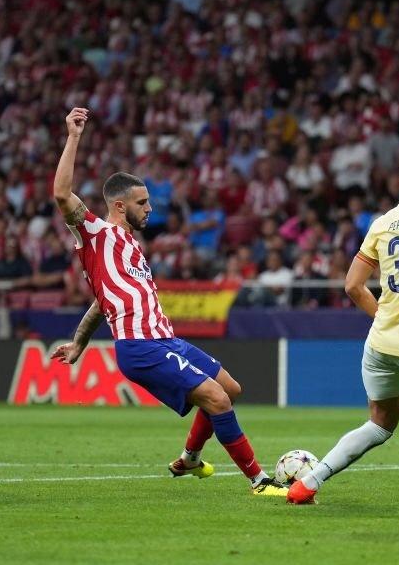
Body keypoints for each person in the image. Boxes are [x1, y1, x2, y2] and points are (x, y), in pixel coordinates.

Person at [49, 107, 287, 497]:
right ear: (120, 206)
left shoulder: (132, 247)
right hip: (140, 347)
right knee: (216, 399)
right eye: (143, 203)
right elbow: (61, 194)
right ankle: (259, 482)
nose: (150, 208)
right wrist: (74, 137)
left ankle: (190, 458)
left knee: (230, 388)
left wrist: (79, 342)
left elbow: (101, 304)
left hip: (167, 340)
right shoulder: (95, 233)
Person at [287, 198, 399, 504]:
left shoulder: (382, 223)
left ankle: (308, 483)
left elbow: (353, 286)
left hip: (382, 344)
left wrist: (386, 319)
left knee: (379, 423)